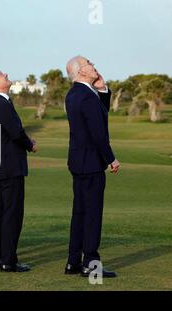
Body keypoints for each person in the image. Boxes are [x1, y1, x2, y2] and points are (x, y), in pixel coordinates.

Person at [64, 56, 120, 278]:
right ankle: (90, 263)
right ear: (80, 72)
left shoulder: (75, 94)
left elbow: (100, 117)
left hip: (78, 161)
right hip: (91, 163)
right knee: (92, 214)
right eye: (89, 64)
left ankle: (73, 262)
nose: (94, 65)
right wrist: (111, 158)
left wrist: (103, 90)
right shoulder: (86, 96)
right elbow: (98, 132)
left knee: (80, 212)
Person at [0, 69, 36, 272]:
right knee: (11, 213)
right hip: (9, 166)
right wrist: (30, 144)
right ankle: (7, 260)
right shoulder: (1, 104)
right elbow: (16, 132)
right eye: (0, 74)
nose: (6, 74)